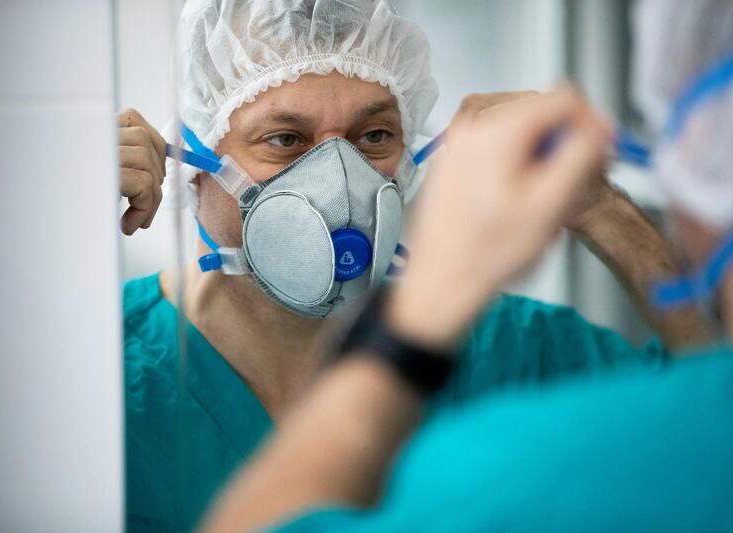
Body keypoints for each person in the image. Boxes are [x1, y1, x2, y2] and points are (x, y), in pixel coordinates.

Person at [116, 0, 709, 530]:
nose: (341, 179)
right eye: (285, 140)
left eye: (374, 135)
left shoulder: (518, 350)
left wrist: (609, 215)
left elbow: (711, 423)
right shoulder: (104, 371)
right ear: (191, 158)